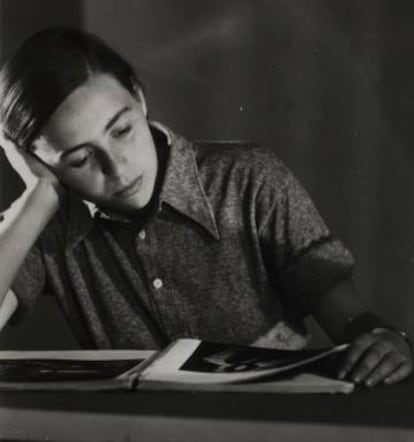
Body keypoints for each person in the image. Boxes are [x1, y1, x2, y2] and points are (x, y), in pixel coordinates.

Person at [0, 27, 411, 388]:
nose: (117, 167)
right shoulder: (48, 223)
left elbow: (349, 315)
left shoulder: (249, 179)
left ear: (139, 97)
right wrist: (39, 193)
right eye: (78, 160)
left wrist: (382, 338)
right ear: (40, 160)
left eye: (122, 130)